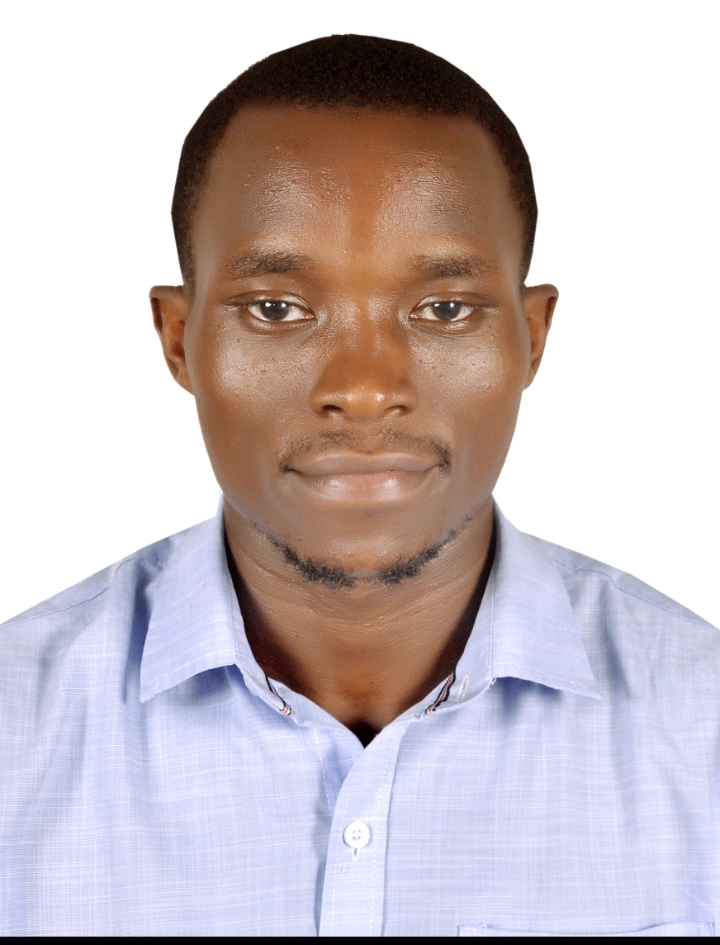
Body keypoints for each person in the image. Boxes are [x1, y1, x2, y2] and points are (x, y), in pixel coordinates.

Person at [1, 34, 717, 937]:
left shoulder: (703, 729)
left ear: (532, 338)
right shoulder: (15, 734)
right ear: (179, 340)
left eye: (444, 309)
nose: (367, 387)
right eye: (277, 308)